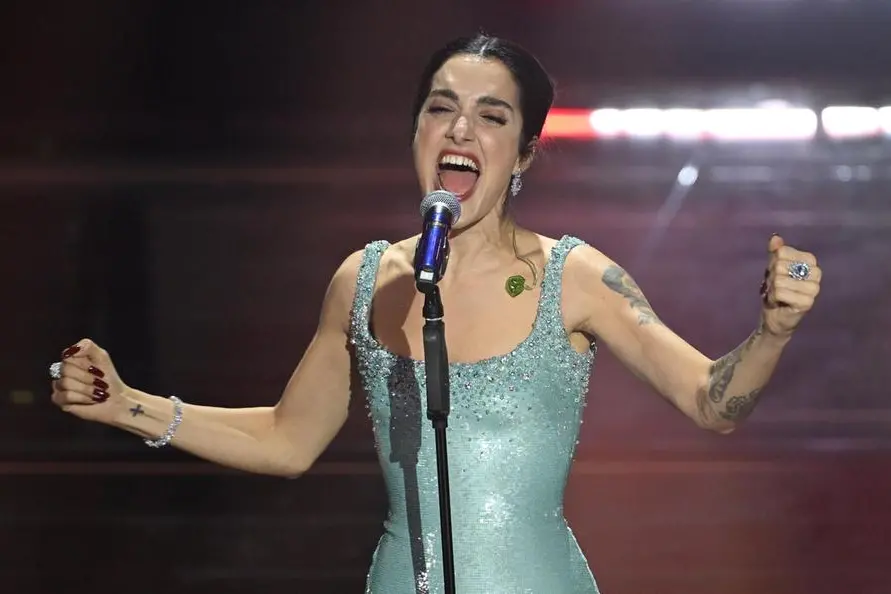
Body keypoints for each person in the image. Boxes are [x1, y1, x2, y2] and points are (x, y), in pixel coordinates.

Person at [49, 34, 823, 594]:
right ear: (416, 131)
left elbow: (711, 402)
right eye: (440, 108)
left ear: (523, 154)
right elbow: (287, 439)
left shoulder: (575, 278)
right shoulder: (365, 282)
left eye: (491, 116)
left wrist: (773, 331)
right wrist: (126, 406)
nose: (459, 129)